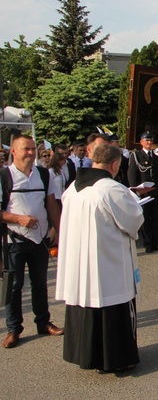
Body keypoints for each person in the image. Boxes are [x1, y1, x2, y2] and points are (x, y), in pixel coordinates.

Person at [56, 144, 144, 373]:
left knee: (87, 302)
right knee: (112, 305)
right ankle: (117, 358)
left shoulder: (72, 188)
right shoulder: (111, 189)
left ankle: (87, 355)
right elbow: (133, 219)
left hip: (81, 263)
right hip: (108, 263)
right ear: (114, 164)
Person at [1, 135, 63, 349]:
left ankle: (43, 322)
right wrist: (18, 219)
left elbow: (52, 205)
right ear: (14, 152)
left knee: (40, 282)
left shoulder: (44, 175)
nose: (30, 153)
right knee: (14, 286)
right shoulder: (4, 176)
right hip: (14, 240)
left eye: (32, 149)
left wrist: (60, 231)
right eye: (25, 149)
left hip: (40, 239)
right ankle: (13, 329)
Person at [127, 131, 158, 253]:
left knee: (157, 218)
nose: (149, 142)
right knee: (146, 218)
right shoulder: (136, 155)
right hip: (144, 192)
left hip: (157, 191)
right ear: (141, 142)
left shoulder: (156, 155)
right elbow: (132, 174)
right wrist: (135, 190)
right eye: (146, 140)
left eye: (151, 140)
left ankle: (157, 242)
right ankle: (148, 243)